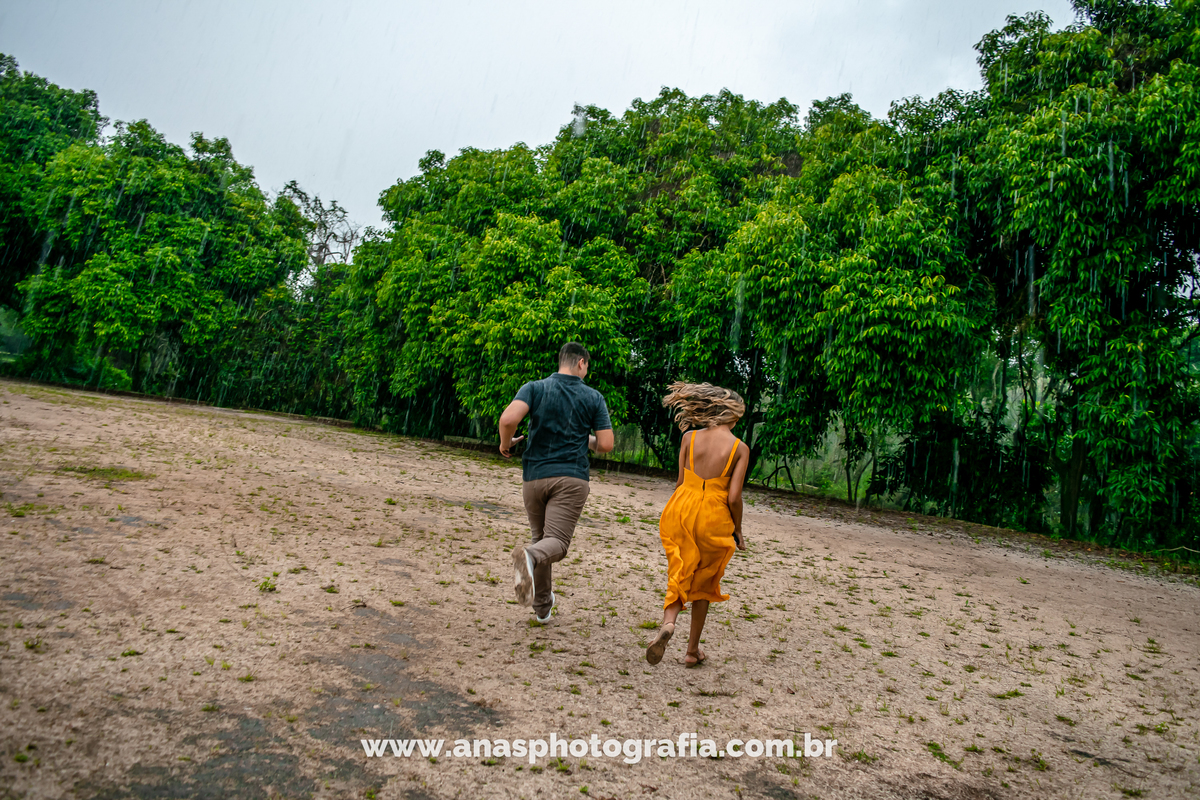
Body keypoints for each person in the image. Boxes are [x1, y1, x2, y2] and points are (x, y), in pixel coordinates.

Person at [498, 342, 614, 623]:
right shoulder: (593, 397)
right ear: (581, 363)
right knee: (557, 543)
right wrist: (585, 439)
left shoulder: (534, 388)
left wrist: (506, 443)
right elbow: (606, 445)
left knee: (542, 541)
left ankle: (542, 607)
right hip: (570, 477)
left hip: (534, 477)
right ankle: (528, 556)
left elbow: (508, 419)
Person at [645, 382, 749, 667]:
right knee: (704, 581)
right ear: (733, 416)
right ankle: (692, 651)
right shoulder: (740, 448)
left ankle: (668, 623)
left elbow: (680, 481)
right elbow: (734, 497)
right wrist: (738, 530)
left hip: (682, 507)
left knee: (680, 570)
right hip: (714, 515)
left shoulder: (689, 438)